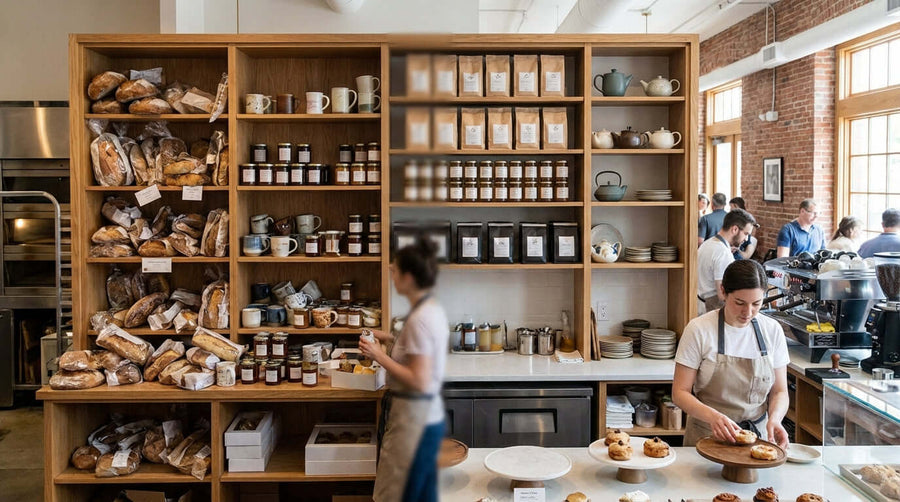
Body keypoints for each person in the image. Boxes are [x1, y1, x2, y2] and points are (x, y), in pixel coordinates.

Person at [359, 238, 448, 502]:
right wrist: (385, 338)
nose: (392, 276)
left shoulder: (420, 319)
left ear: (409, 277)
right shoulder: (426, 308)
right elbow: (415, 350)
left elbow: (419, 379)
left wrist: (377, 355)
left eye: (395, 271)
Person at [674, 260, 790, 449]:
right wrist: (713, 417)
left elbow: (780, 391)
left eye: (756, 303)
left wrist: (775, 419)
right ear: (723, 291)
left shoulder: (772, 330)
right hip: (707, 436)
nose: (748, 312)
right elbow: (680, 393)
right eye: (740, 303)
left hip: (757, 439)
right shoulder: (699, 329)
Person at [697, 208, 757, 314]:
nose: (746, 239)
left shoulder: (708, 243)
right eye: (746, 233)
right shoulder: (722, 252)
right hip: (712, 308)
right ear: (734, 229)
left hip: (700, 303)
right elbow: (722, 294)